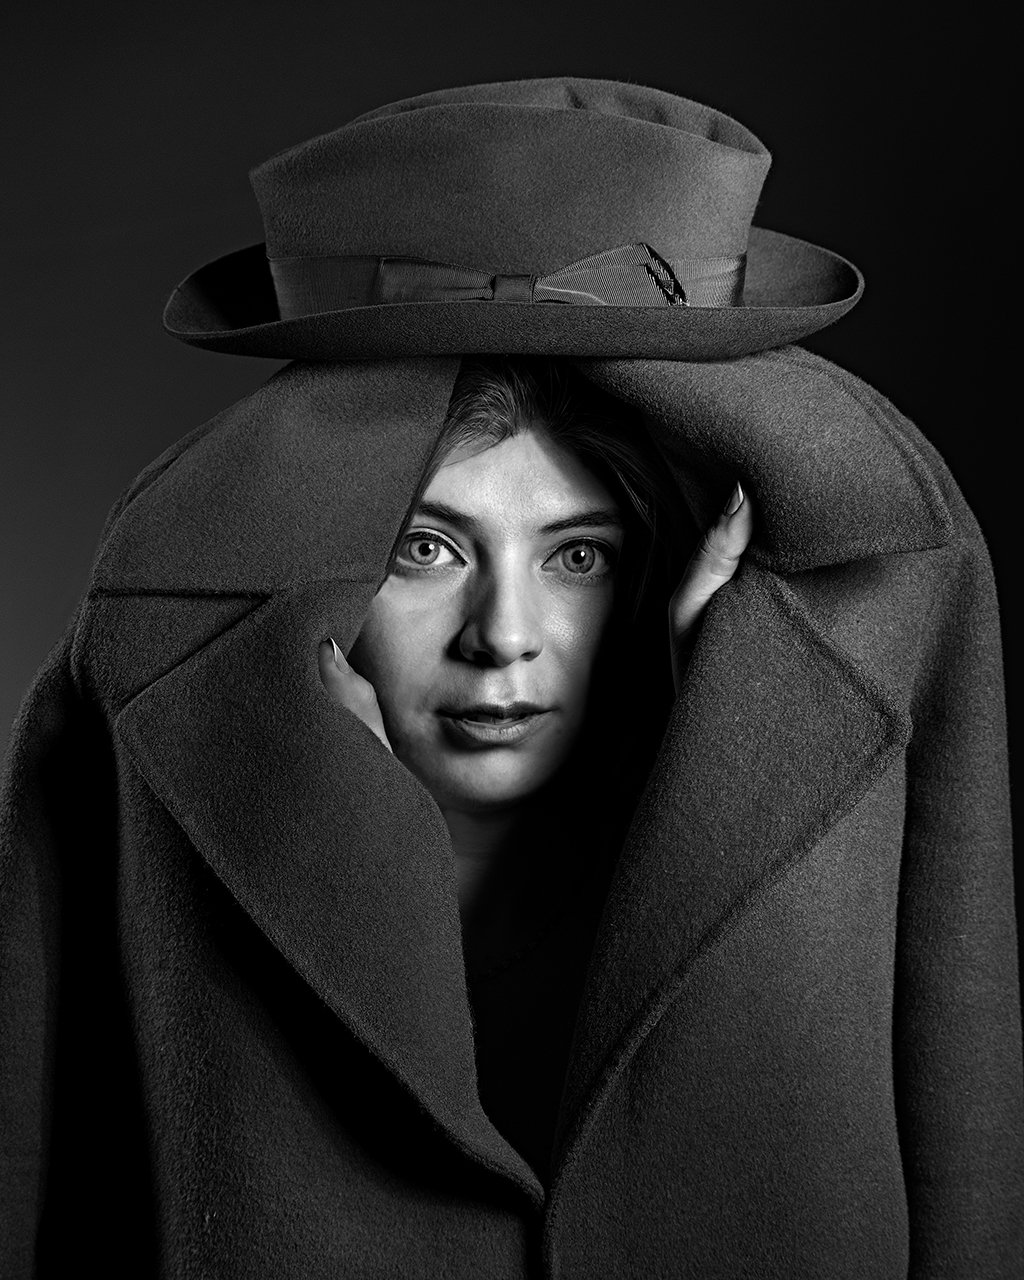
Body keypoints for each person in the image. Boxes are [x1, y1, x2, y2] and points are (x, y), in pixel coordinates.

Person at [1, 77, 1021, 1280]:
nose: (504, 635)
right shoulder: (156, 783)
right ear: (322, 577)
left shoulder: (817, 782)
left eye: (578, 556)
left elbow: (963, 1171)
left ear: (656, 569)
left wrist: (733, 713)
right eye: (425, 551)